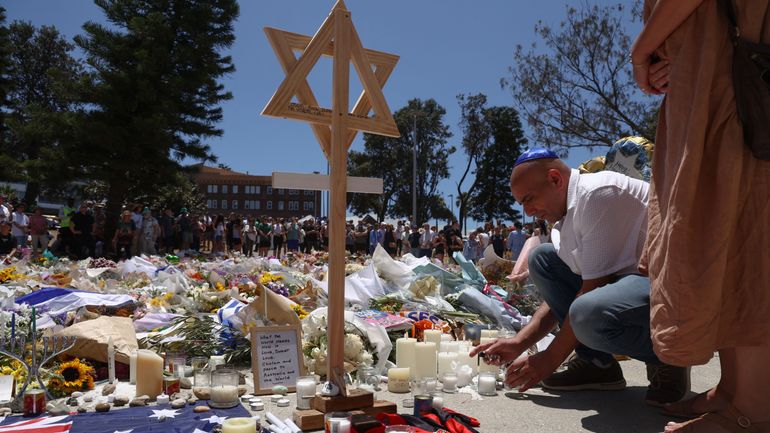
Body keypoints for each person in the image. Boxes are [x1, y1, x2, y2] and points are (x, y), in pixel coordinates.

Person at [631, 2, 770, 431]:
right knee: (720, 235)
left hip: (729, 76)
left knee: (743, 230)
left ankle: (754, 408)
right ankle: (732, 390)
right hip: (707, 77)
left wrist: (643, 51)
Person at [471, 149, 688, 409]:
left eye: (530, 199)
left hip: (671, 289)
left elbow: (589, 291)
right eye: (522, 204)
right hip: (631, 284)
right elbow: (563, 295)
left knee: (589, 314)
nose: (528, 211)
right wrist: (520, 342)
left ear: (555, 179)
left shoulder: (597, 194)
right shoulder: (565, 218)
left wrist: (549, 359)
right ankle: (596, 364)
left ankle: (667, 356)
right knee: (542, 259)